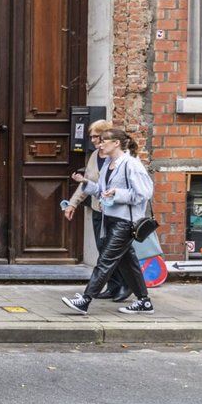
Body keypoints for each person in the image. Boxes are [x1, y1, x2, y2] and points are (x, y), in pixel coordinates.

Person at [61, 127, 155, 315]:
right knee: (128, 263)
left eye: (104, 140)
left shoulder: (131, 164)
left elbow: (144, 193)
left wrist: (117, 193)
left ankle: (85, 300)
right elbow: (101, 191)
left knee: (105, 260)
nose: (100, 144)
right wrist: (86, 183)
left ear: (116, 143)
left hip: (125, 221)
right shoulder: (107, 164)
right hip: (110, 218)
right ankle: (144, 301)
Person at [62, 119, 126, 301]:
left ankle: (126, 285)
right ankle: (114, 286)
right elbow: (87, 183)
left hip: (117, 212)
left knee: (116, 251)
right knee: (102, 248)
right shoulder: (94, 156)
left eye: (96, 136)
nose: (93, 140)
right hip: (99, 210)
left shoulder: (122, 159)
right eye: (91, 137)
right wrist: (72, 204)